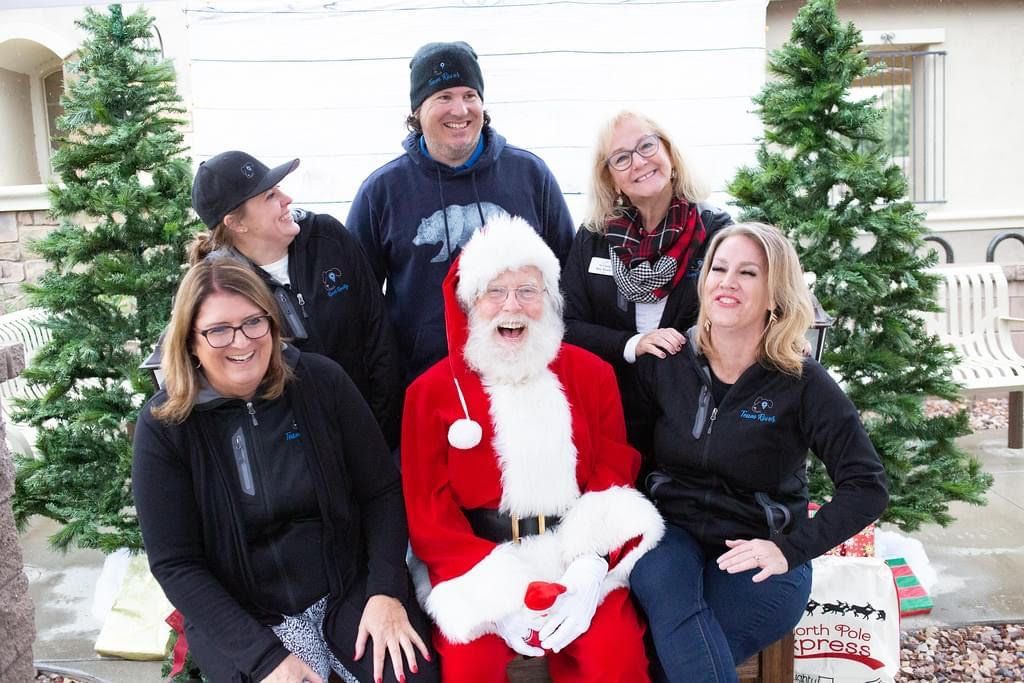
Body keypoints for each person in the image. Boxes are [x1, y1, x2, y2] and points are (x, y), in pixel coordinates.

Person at [132, 258, 438, 683]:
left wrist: (385, 591)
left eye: (254, 322)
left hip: (345, 588)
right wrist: (264, 659)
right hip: (246, 614)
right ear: (190, 342)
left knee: (410, 676)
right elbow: (176, 563)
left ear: (273, 325)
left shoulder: (321, 383)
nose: (241, 341)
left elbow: (382, 492)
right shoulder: (166, 427)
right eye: (218, 329)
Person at [401, 215, 665, 682]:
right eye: (495, 293)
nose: (513, 307)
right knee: (469, 669)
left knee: (614, 657)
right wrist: (498, 601)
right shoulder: (430, 393)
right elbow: (428, 508)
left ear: (549, 300)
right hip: (476, 563)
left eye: (528, 291)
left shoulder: (591, 374)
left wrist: (590, 566)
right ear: (469, 303)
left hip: (574, 554)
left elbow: (613, 467)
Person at [630, 222, 890, 682]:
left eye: (748, 273)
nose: (728, 282)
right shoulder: (668, 364)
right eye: (720, 268)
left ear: (775, 295)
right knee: (665, 593)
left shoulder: (802, 382)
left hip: (759, 553)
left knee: (669, 660)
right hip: (671, 536)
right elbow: (628, 456)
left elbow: (867, 486)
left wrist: (789, 549)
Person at [347, 41, 575, 386]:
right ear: (417, 111)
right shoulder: (382, 191)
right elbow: (360, 304)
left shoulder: (529, 175)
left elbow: (565, 277)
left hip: (523, 376)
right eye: (444, 97)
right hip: (424, 381)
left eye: (470, 95)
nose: (460, 109)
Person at [191, 150, 402, 447]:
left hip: (374, 435)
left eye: (279, 189)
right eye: (269, 196)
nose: (286, 199)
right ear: (236, 223)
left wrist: (377, 435)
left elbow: (379, 335)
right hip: (298, 459)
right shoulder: (218, 287)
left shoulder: (328, 238)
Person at [563, 111, 733, 461]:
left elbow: (735, 314)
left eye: (646, 146)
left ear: (669, 154)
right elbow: (566, 326)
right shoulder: (593, 238)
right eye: (622, 158)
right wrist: (632, 344)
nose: (638, 162)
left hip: (694, 418)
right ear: (610, 179)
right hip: (611, 420)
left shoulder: (716, 232)